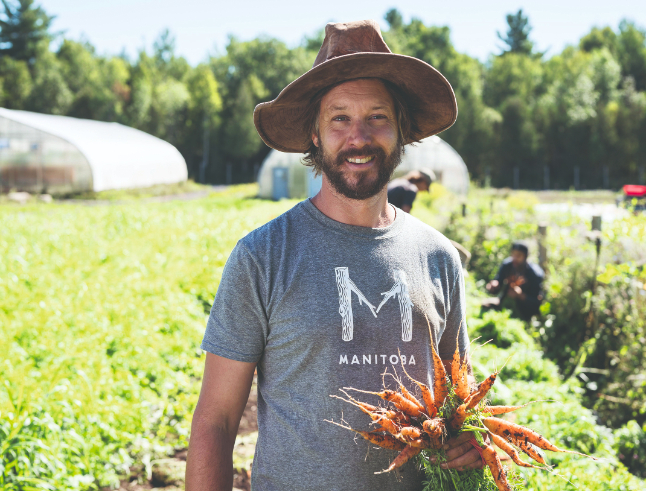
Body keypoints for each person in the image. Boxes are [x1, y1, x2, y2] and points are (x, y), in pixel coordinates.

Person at [186, 20, 482, 491]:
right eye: (339, 118)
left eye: (378, 117)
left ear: (401, 130)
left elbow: (459, 409)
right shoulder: (263, 256)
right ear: (315, 136)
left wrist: (467, 441)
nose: (358, 137)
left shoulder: (439, 257)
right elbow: (216, 422)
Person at [484, 242, 544, 320]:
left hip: (525, 311)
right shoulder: (507, 265)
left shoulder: (535, 274)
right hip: (505, 304)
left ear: (525, 256)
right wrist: (494, 285)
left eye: (518, 255)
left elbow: (536, 302)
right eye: (513, 254)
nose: (515, 258)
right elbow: (499, 280)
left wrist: (520, 295)